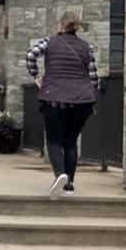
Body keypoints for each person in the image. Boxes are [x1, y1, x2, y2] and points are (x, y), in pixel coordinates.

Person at [26, 11, 99, 198]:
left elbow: (31, 55)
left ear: (60, 25)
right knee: (71, 141)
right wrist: (92, 94)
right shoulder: (86, 47)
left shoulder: (49, 42)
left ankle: (60, 175)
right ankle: (69, 185)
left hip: (53, 98)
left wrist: (36, 76)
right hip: (82, 101)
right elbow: (93, 76)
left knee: (54, 140)